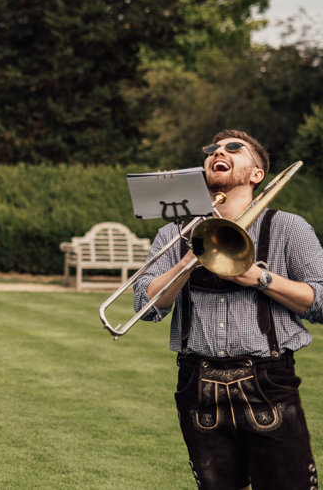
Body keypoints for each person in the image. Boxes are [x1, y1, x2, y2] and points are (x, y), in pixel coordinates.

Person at [134, 129, 323, 488]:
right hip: (197, 383)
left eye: (234, 149)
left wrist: (259, 278)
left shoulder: (288, 227)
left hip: (269, 381)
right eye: (211, 150)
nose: (218, 152)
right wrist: (191, 256)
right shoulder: (175, 234)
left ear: (256, 174)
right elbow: (144, 307)